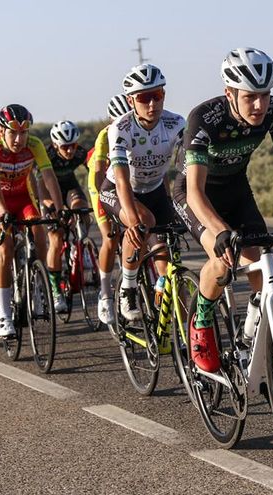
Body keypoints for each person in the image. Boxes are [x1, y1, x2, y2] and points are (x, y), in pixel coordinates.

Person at [172, 48, 273, 417]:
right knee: (222, 264)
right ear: (230, 93)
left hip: (237, 190)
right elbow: (194, 192)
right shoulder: (203, 119)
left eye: (265, 94)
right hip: (196, 194)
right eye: (249, 96)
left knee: (263, 269)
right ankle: (201, 326)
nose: (259, 104)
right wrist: (221, 232)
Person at [99, 64, 185, 321]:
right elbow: (123, 182)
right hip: (117, 190)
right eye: (143, 98)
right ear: (130, 101)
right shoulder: (121, 128)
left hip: (155, 190)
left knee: (168, 263)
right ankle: (128, 287)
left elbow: (187, 169)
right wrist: (134, 222)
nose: (151, 104)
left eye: (156, 95)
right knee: (143, 223)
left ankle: (175, 327)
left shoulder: (176, 123)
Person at [0, 104, 64, 338]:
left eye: (24, 133)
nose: (19, 139)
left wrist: (59, 209)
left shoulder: (35, 145)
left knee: (39, 233)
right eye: (13, 133)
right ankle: (5, 315)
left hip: (23, 198)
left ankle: (37, 285)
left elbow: (48, 175)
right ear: (1, 131)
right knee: (5, 249)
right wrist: (2, 212)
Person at [87, 94, 131, 325]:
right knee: (110, 237)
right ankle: (105, 294)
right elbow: (97, 179)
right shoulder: (105, 137)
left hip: (128, 184)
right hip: (103, 187)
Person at [42, 120, 89, 312]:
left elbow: (94, 173)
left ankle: (81, 245)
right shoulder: (47, 155)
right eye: (65, 147)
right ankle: (55, 290)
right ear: (55, 145)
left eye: (73, 145)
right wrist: (50, 205)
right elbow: (40, 185)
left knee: (82, 209)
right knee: (55, 237)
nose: (70, 151)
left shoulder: (80, 153)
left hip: (70, 188)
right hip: (48, 192)